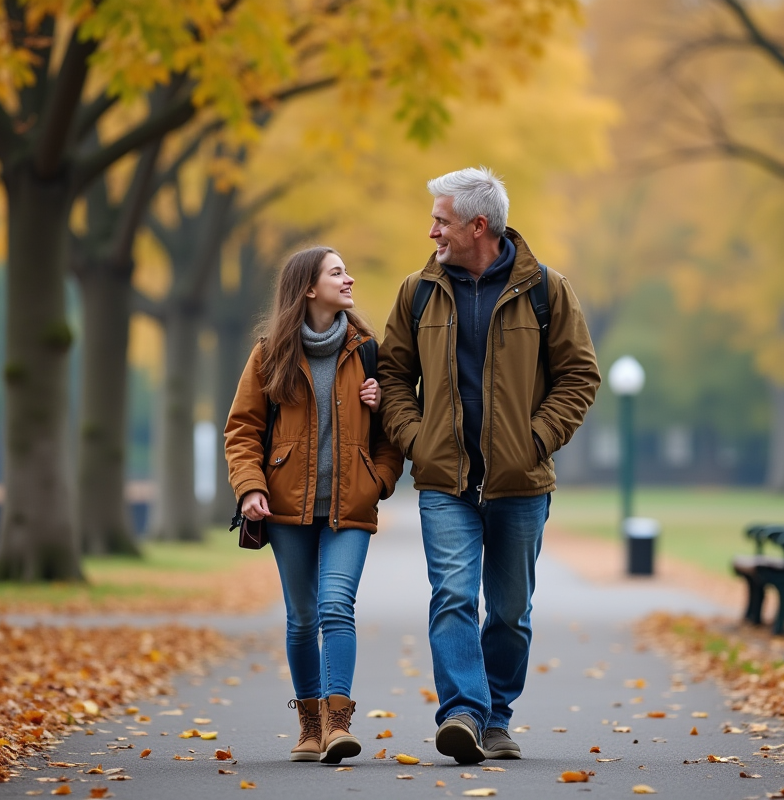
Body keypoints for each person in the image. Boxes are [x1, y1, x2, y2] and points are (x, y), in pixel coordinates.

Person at [378, 167, 601, 764]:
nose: (432, 232)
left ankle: (496, 718)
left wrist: (536, 438)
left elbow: (580, 376)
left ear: (479, 226)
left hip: (520, 481)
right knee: (452, 595)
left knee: (508, 612)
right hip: (444, 480)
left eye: (441, 220)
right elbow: (393, 375)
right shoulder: (417, 291)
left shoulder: (546, 291)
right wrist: (415, 438)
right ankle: (463, 715)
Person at [225, 246, 403, 764]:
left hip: (350, 507)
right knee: (302, 618)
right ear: (308, 287)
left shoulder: (370, 351)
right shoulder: (269, 354)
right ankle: (308, 727)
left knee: (334, 607)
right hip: (287, 512)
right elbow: (243, 430)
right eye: (337, 272)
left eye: (347, 270)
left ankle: (338, 724)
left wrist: (380, 479)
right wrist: (250, 487)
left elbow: (394, 434)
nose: (349, 279)